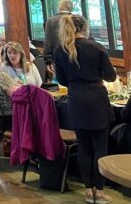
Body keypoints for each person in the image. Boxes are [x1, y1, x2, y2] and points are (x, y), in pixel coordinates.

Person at [53, 15, 116, 204]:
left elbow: (62, 80)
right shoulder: (96, 48)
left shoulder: (60, 50)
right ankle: (100, 191)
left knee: (84, 147)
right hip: (96, 98)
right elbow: (111, 76)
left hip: (76, 100)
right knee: (100, 147)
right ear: (85, 28)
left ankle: (88, 191)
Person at [43, 0, 74, 66]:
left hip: (57, 60)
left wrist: (48, 62)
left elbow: (47, 43)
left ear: (59, 7)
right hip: (75, 58)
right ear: (70, 8)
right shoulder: (78, 19)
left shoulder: (51, 21)